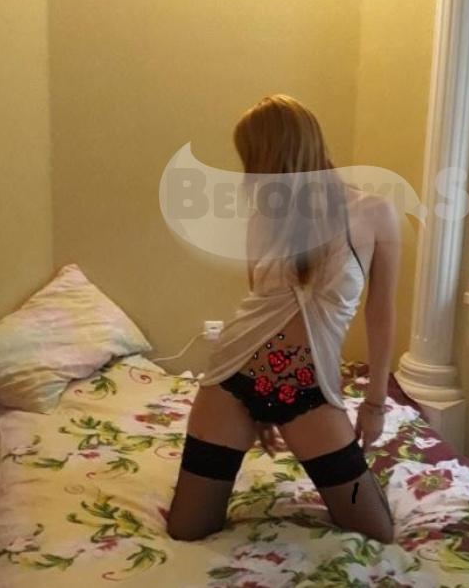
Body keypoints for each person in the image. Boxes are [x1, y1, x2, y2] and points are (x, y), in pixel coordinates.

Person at [167, 94, 401, 544]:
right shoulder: (264, 215)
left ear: (284, 154)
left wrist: (375, 403)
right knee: (187, 528)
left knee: (376, 531)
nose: (251, 172)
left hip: (307, 388)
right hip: (233, 375)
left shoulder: (373, 212)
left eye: (256, 158)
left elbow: (381, 313)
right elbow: (260, 302)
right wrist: (259, 410)